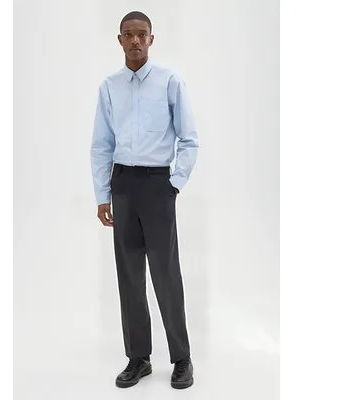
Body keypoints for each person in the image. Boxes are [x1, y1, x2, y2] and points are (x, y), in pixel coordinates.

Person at [90, 10, 198, 389]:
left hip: (157, 186)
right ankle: (139, 358)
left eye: (142, 34)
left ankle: (182, 359)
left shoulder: (170, 82)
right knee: (129, 276)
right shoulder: (109, 87)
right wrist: (103, 195)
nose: (135, 40)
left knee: (166, 275)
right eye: (128, 34)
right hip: (122, 185)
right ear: (119, 40)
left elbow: (189, 139)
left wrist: (174, 184)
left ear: (151, 39)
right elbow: (101, 145)